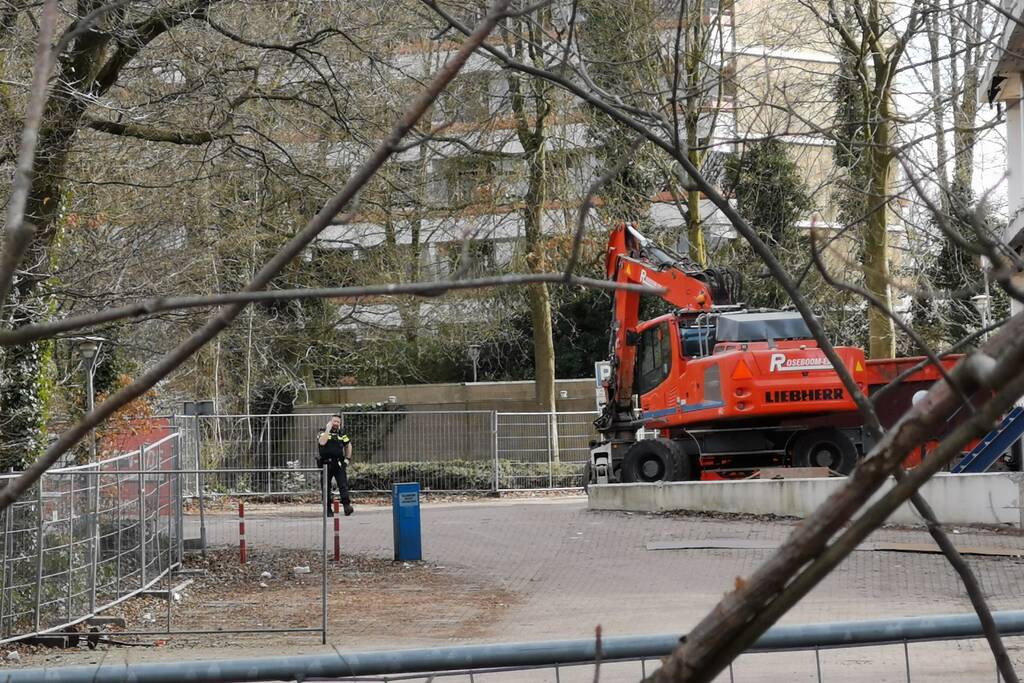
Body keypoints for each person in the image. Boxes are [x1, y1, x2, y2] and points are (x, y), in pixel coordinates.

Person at [317, 414, 354, 516]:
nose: (336, 424)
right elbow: (322, 443)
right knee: (326, 487)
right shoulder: (322, 432)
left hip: (338, 463)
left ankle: (347, 506)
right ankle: (328, 509)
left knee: (343, 485)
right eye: (334, 421)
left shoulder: (342, 433)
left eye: (338, 422)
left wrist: (347, 459)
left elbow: (348, 445)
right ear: (330, 422)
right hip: (326, 464)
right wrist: (327, 429)